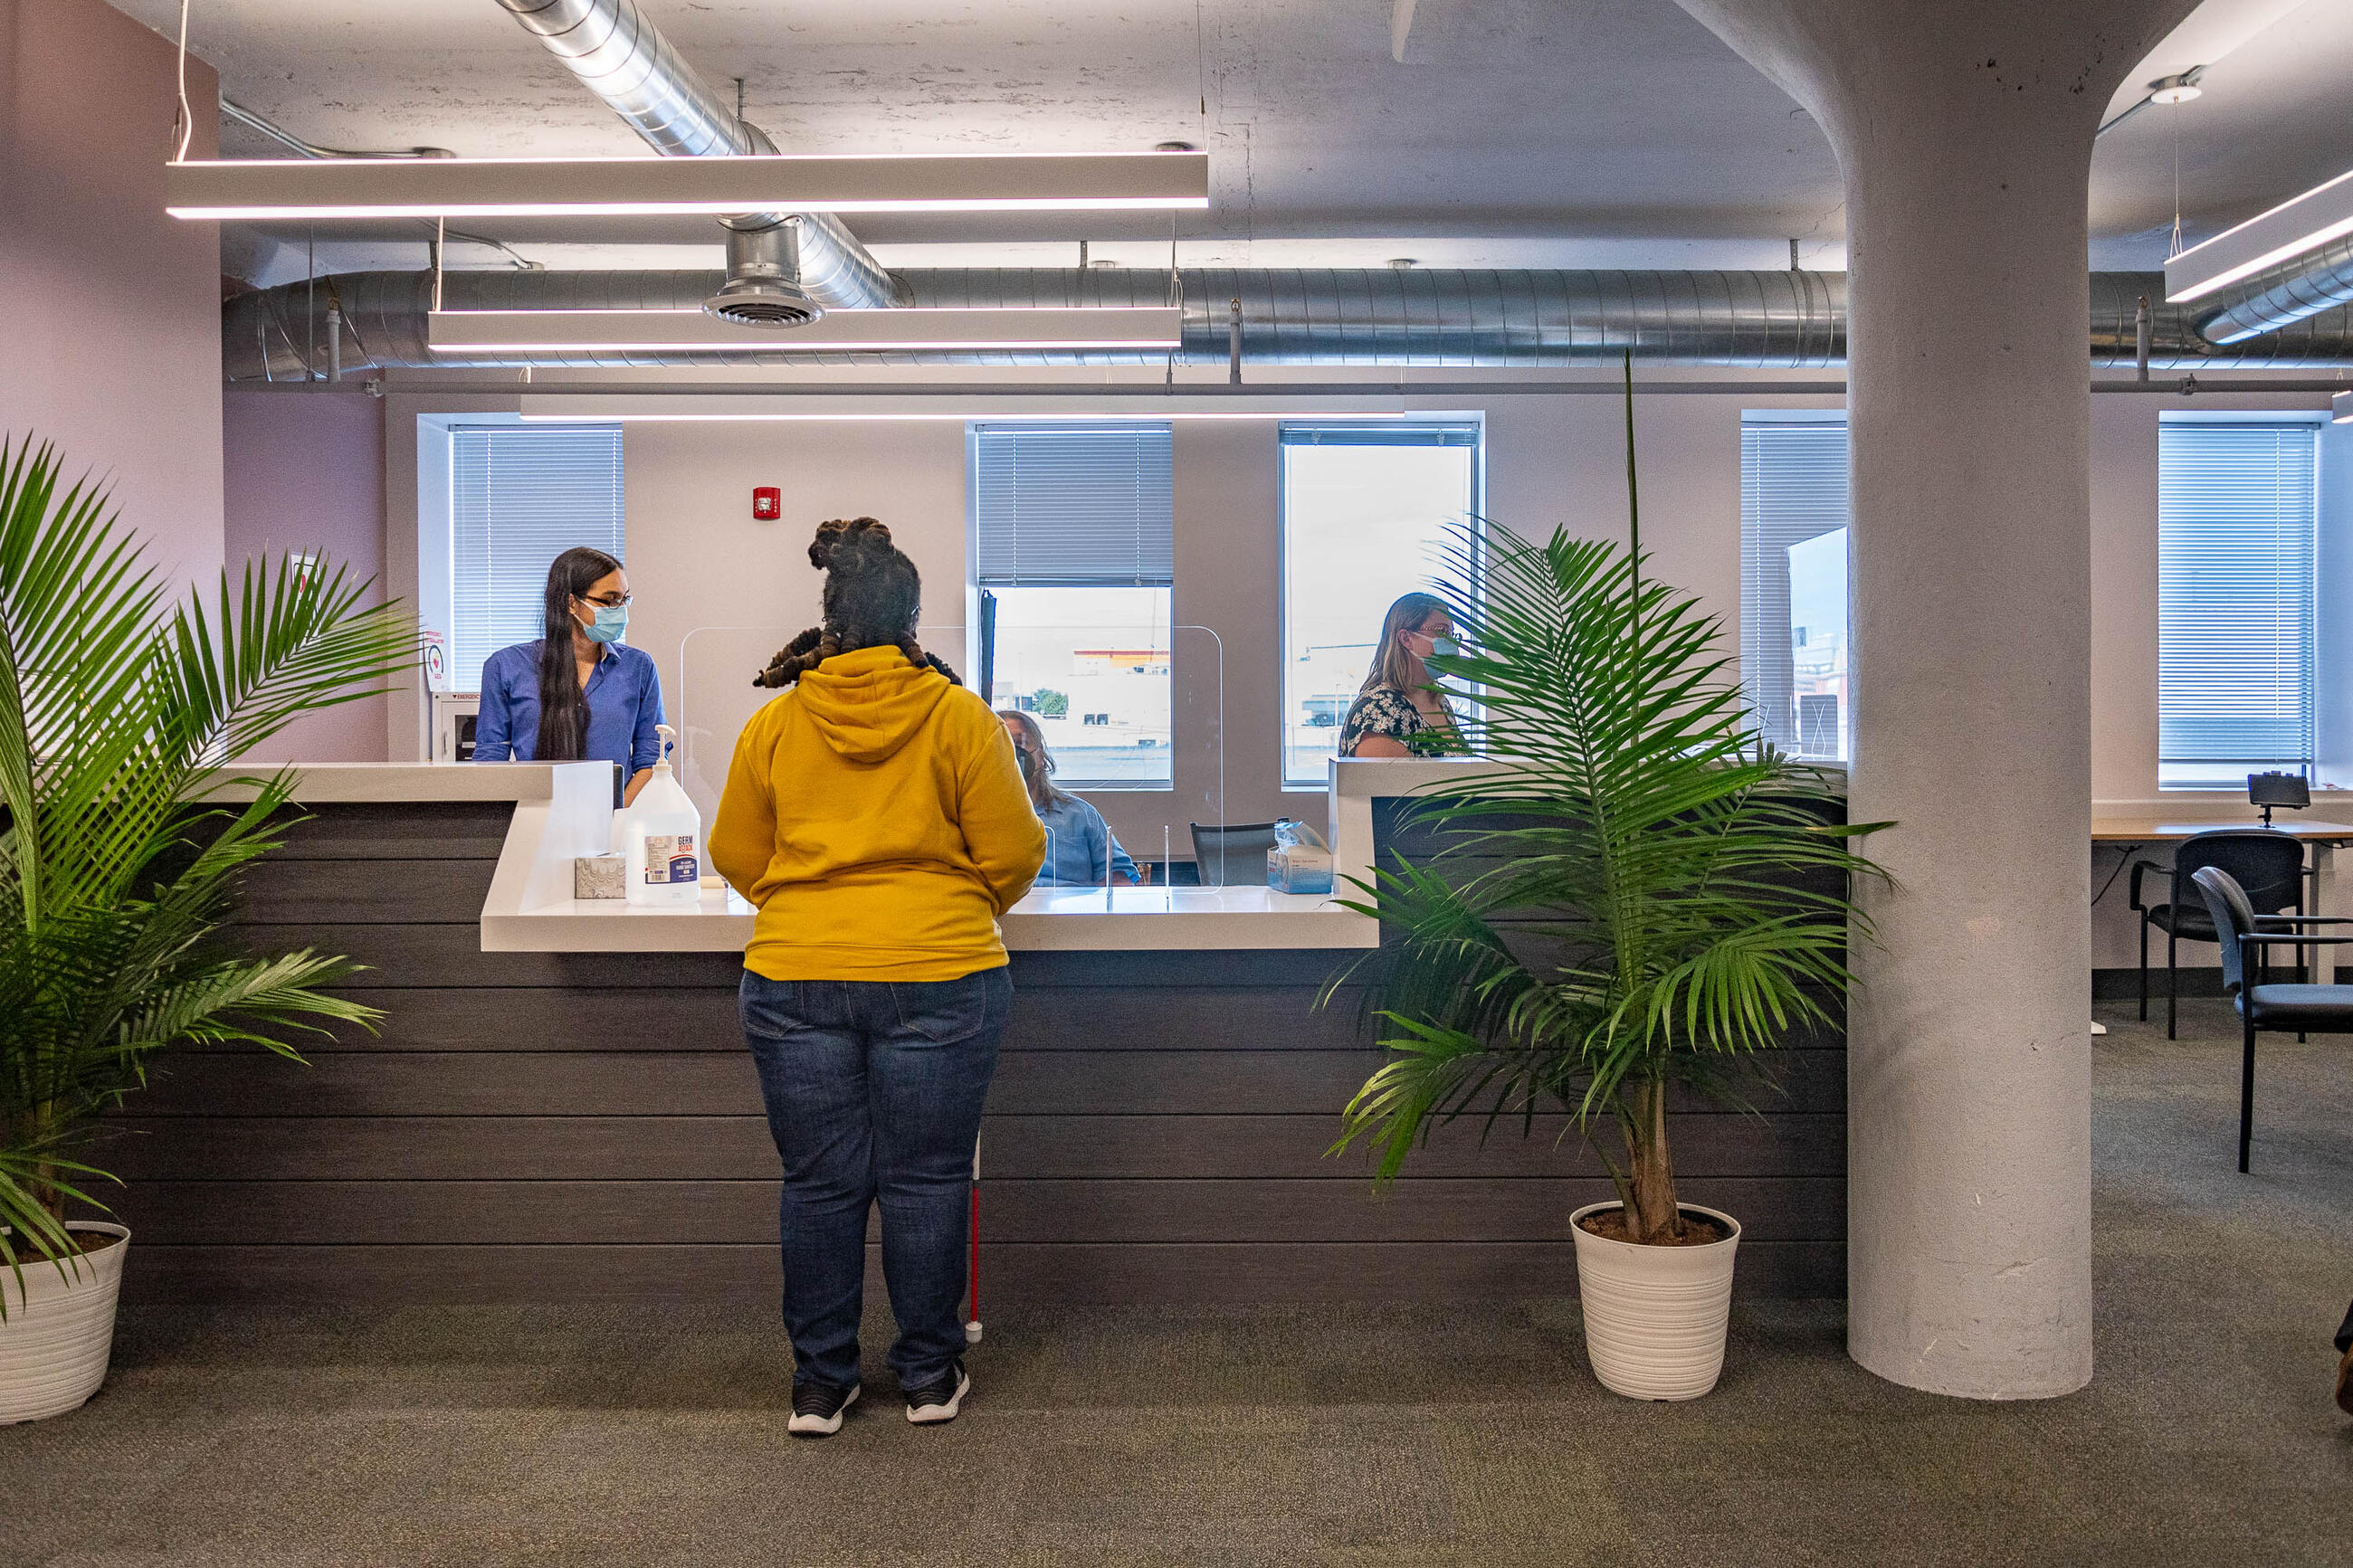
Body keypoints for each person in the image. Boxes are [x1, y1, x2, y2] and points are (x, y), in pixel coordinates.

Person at [712, 517, 1045, 1440]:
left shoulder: (775, 721)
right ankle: (928, 1376)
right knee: (926, 1177)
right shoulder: (957, 715)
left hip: (795, 975)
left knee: (818, 1183)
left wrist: (807, 906)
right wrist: (943, 908)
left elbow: (735, 850)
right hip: (940, 973)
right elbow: (1015, 853)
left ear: (830, 617)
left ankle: (819, 1386)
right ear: (910, 618)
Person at [473, 546, 664, 806]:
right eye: (609, 600)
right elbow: (490, 761)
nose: (619, 610)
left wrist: (614, 818)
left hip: (616, 821)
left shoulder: (638, 667)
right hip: (533, 819)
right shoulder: (506, 666)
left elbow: (651, 760)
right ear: (571, 602)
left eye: (623, 599)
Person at [998, 708, 1146, 887]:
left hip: (1071, 911)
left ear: (1042, 756)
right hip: (1005, 912)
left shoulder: (1080, 814)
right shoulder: (974, 819)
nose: (1014, 754)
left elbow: (1118, 878)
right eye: (1002, 744)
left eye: (1020, 743)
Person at [1337, 590, 1462, 759]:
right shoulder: (1379, 710)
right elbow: (1393, 784)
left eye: (1452, 634)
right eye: (1442, 631)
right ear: (1406, 638)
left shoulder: (1440, 702)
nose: (1451, 642)